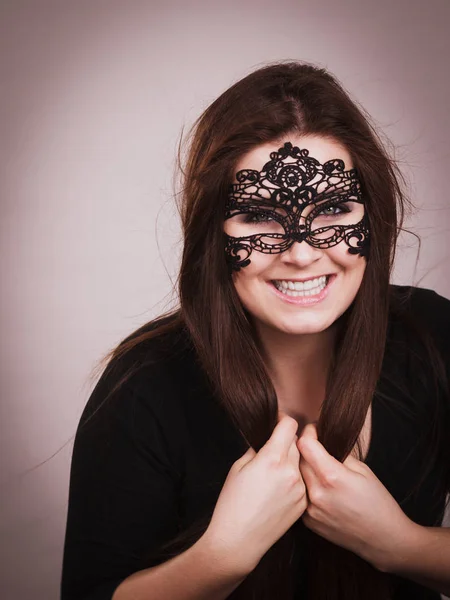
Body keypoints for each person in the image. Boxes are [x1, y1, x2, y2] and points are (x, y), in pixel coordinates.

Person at [60, 61, 450, 600]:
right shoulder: (144, 387)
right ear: (213, 233)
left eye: (333, 208)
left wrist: (401, 544)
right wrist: (220, 558)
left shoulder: (434, 338)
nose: (302, 253)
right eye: (260, 216)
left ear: (372, 212)